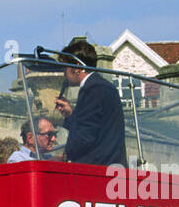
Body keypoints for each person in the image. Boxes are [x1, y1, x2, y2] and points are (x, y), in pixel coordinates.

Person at [52, 38, 128, 167]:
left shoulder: (92, 89)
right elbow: (95, 126)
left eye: (65, 68)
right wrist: (71, 115)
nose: (64, 73)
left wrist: (65, 157)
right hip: (110, 166)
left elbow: (85, 137)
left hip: (97, 169)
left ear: (77, 67)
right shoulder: (103, 86)